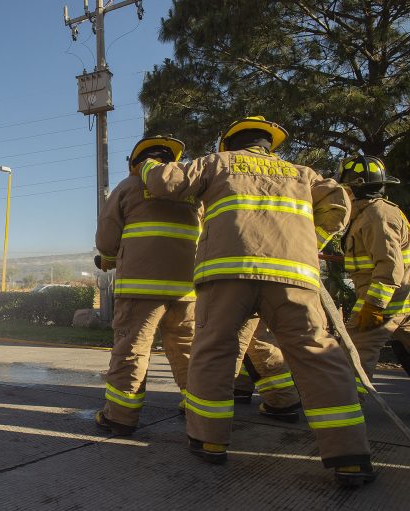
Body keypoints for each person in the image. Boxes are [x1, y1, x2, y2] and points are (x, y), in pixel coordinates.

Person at [140, 116, 374, 486]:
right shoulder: (303, 173)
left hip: (227, 275)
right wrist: (311, 242)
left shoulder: (217, 164)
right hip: (294, 279)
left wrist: (150, 164)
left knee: (215, 349)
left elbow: (164, 182)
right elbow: (339, 201)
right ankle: (349, 455)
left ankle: (209, 441)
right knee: (316, 352)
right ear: (270, 145)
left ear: (229, 142)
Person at [94, 136, 199, 435]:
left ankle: (120, 417)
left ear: (135, 163)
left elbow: (107, 238)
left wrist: (108, 259)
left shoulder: (128, 187)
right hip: (186, 290)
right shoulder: (190, 190)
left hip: (141, 288)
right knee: (187, 350)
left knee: (132, 349)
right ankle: (199, 409)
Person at [336, 155, 410, 378]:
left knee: (352, 354)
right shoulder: (368, 214)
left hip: (383, 300)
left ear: (355, 188)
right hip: (399, 298)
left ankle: (345, 407)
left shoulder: (377, 216)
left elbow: (389, 265)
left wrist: (374, 305)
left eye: (345, 188)